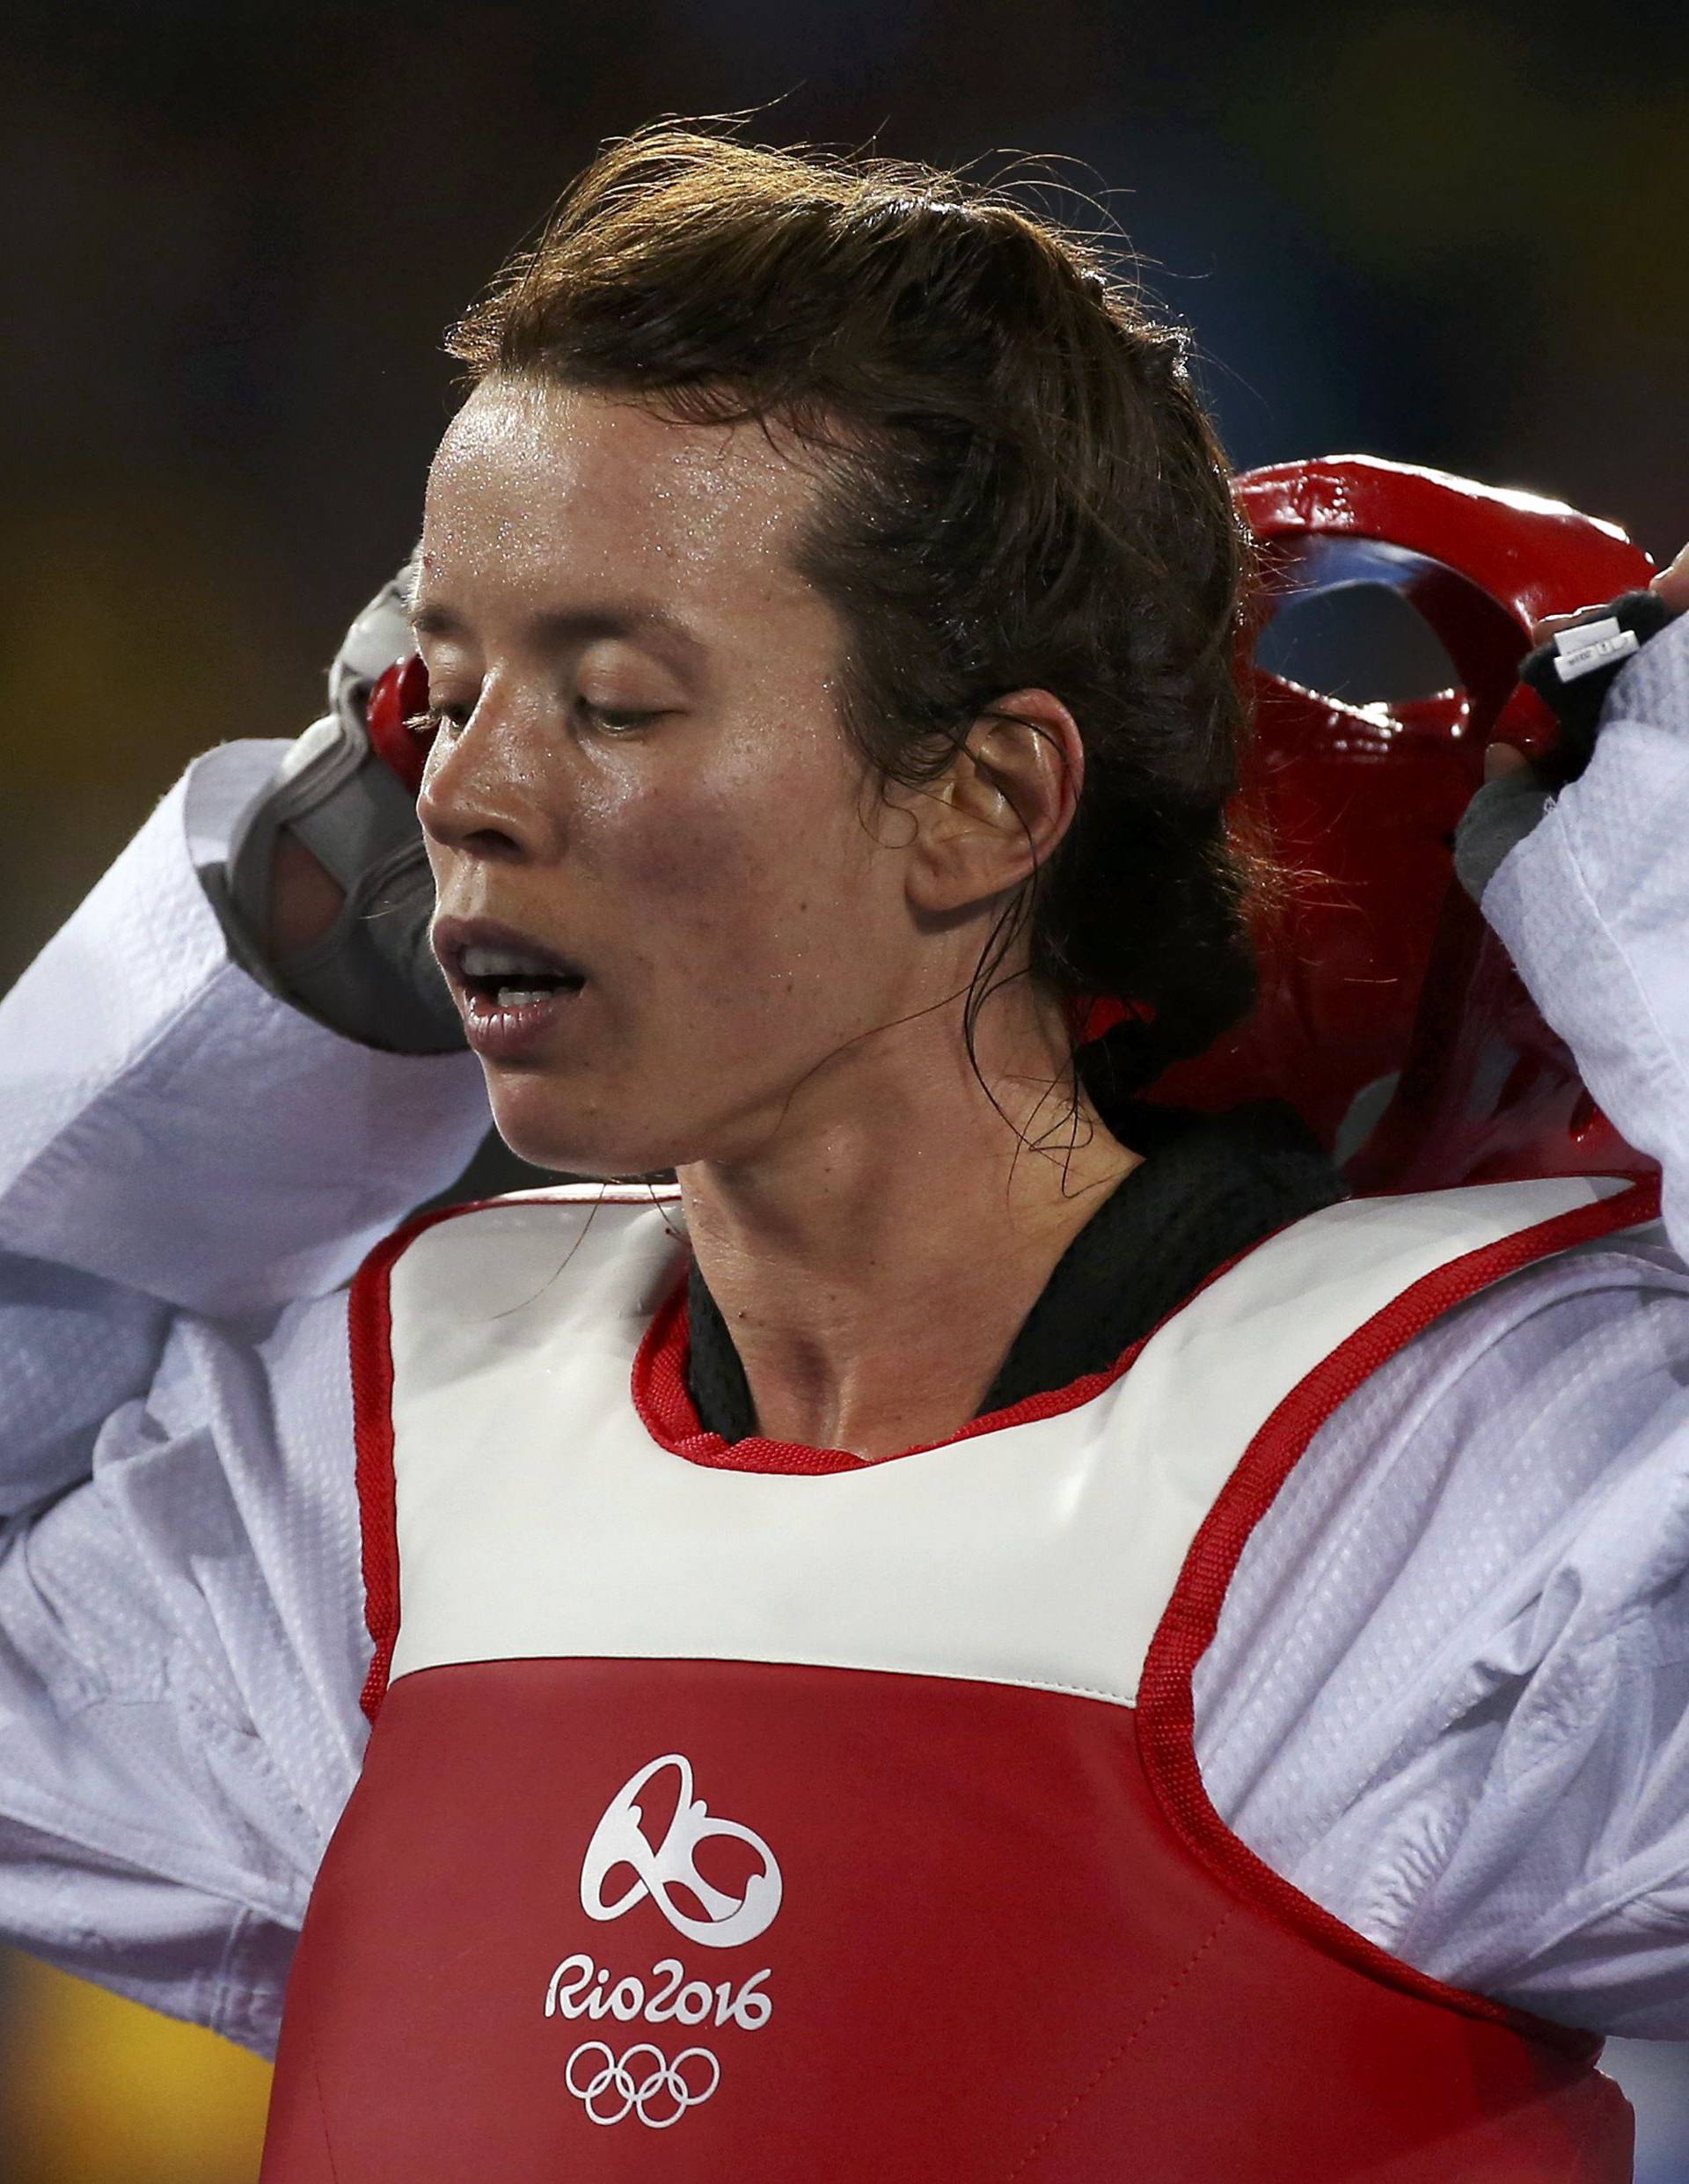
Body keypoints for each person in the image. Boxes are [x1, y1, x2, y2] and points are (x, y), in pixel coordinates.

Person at [2, 123, 1687, 2180]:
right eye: (437, 692)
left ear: (984, 800)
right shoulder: (388, 1453)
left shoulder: (1445, 1490)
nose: (466, 789)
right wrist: (243, 996)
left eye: (610, 701)